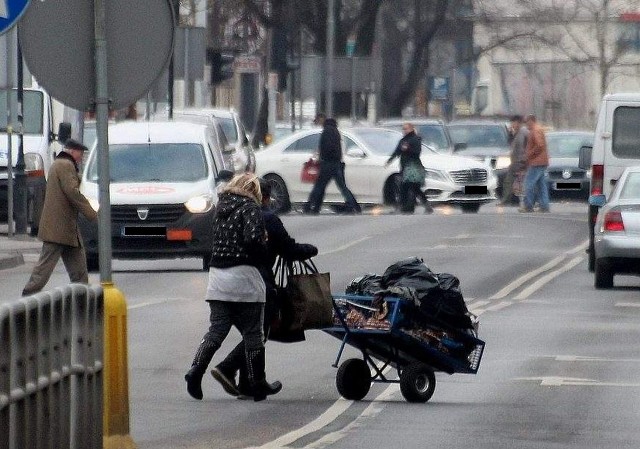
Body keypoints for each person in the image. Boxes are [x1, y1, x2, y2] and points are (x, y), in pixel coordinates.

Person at [211, 178, 318, 398]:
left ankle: (247, 385)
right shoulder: (268, 218)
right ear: (266, 197)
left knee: (251, 333)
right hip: (257, 284)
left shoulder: (231, 213)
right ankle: (228, 368)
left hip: (226, 282)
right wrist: (310, 249)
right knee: (258, 334)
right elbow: (289, 249)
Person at [184, 173, 281, 402]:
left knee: (216, 330)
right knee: (253, 333)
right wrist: (265, 244)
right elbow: (252, 240)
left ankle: (195, 371)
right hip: (244, 279)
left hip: (218, 279)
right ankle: (257, 383)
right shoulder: (250, 208)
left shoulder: (221, 207)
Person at [22, 139, 97, 296]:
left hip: (67, 230)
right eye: (80, 153)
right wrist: (92, 213)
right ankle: (26, 298)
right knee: (43, 270)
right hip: (57, 229)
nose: (81, 157)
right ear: (71, 151)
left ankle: (83, 301)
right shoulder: (64, 165)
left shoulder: (63, 165)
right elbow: (73, 192)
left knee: (79, 271)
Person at [303, 118, 361, 214]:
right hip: (336, 163)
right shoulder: (336, 132)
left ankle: (310, 206)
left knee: (319, 186)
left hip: (328, 163)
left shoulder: (327, 131)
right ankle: (354, 206)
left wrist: (322, 157)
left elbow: (327, 147)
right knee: (342, 187)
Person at [386, 123, 433, 214]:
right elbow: (397, 151)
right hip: (405, 167)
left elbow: (417, 152)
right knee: (407, 187)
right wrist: (390, 160)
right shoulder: (403, 140)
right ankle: (407, 206)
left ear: (411, 129)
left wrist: (407, 149)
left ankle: (405, 207)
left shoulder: (415, 139)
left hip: (413, 167)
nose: (404, 131)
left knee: (412, 187)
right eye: (403, 129)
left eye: (406, 129)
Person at [520, 115, 550, 213]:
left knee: (528, 183)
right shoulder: (538, 129)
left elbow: (540, 145)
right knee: (541, 185)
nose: (526, 125)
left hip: (536, 162)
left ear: (531, 121)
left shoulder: (535, 130)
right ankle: (544, 206)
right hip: (542, 161)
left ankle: (528, 205)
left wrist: (530, 154)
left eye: (527, 122)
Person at [499, 115, 529, 205]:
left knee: (524, 182)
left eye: (514, 123)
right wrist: (510, 133)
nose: (512, 124)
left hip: (523, 161)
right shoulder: (514, 132)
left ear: (518, 123)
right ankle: (506, 200)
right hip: (515, 161)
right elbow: (510, 143)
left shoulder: (524, 132)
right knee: (508, 181)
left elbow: (529, 145)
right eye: (511, 123)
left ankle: (528, 201)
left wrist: (526, 158)